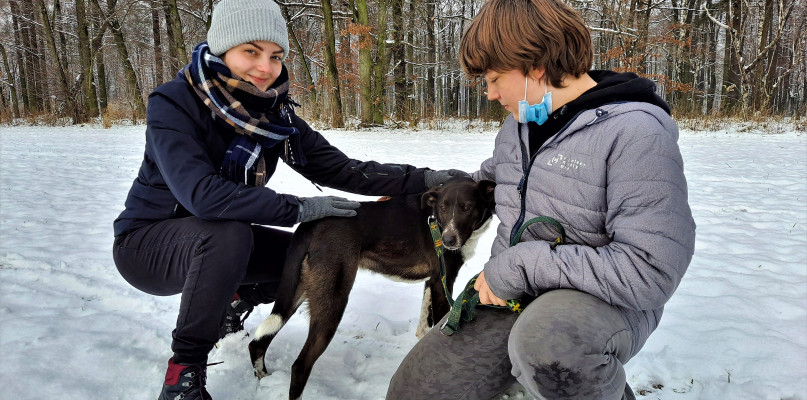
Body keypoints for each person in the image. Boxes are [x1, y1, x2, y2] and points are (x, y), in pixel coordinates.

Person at [111, 0, 465, 398]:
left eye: (276, 56)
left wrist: (425, 178)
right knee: (228, 235)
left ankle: (234, 299)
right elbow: (201, 196)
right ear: (222, 48)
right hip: (148, 246)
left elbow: (341, 169)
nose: (266, 67)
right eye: (251, 51)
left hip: (221, 243)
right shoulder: (174, 103)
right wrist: (297, 208)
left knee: (308, 259)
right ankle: (184, 371)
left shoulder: (275, 117)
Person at [386, 0, 696, 399]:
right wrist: (404, 192)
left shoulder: (636, 134)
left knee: (550, 348)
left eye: (495, 78)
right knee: (413, 390)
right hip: (513, 289)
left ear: (536, 64)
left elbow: (650, 271)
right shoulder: (519, 127)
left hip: (601, 300)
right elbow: (485, 184)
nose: (491, 94)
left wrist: (520, 265)